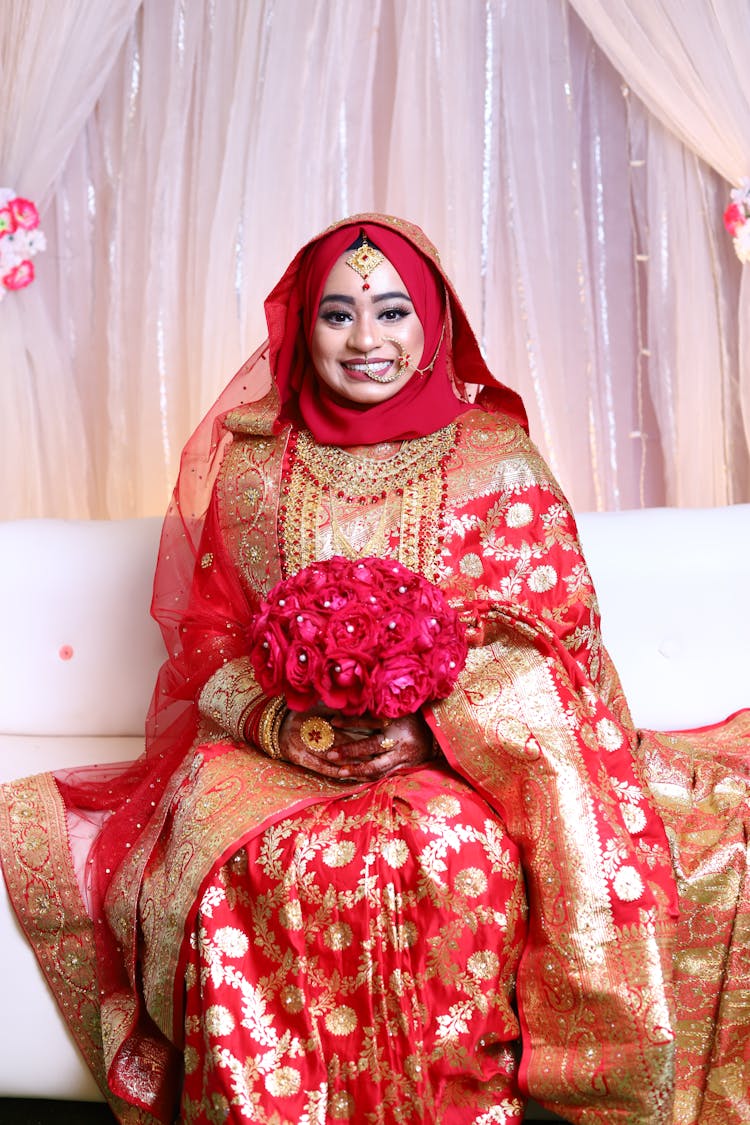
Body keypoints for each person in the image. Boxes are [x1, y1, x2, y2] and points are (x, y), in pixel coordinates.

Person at [0, 215, 746, 1125]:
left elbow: (553, 637)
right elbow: (210, 647)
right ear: (300, 326)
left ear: (432, 323)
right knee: (257, 863)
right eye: (337, 314)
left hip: (452, 752)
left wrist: (424, 722)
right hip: (273, 750)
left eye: (392, 312)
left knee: (453, 853)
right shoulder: (254, 462)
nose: (366, 341)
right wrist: (290, 724)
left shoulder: (493, 461)